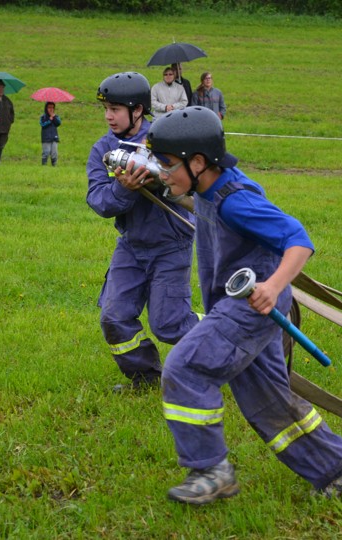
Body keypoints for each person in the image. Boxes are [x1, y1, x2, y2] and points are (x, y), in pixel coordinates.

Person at [146, 106, 342, 505]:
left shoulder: (236, 202)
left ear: (198, 162)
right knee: (266, 399)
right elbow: (169, 182)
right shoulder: (203, 186)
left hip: (249, 308)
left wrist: (273, 285)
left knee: (186, 367)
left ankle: (211, 470)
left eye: (167, 164)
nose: (163, 173)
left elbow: (298, 239)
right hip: (245, 308)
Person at [86, 72, 199, 391]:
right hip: (132, 245)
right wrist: (126, 189)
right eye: (106, 109)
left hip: (171, 242)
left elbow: (193, 184)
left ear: (138, 110)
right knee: (114, 317)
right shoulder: (103, 149)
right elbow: (99, 201)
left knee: (169, 324)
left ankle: (225, 336)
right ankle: (146, 378)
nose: (109, 116)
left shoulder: (164, 139)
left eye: (116, 108)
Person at [40, 102, 61, 166]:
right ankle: (44, 165)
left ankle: (54, 165)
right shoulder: (43, 117)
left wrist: (53, 117)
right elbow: (42, 124)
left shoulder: (56, 116)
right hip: (46, 138)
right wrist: (49, 120)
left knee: (54, 153)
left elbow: (58, 123)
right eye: (49, 107)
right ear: (46, 108)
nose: (51, 109)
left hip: (54, 137)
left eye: (52, 107)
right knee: (46, 152)